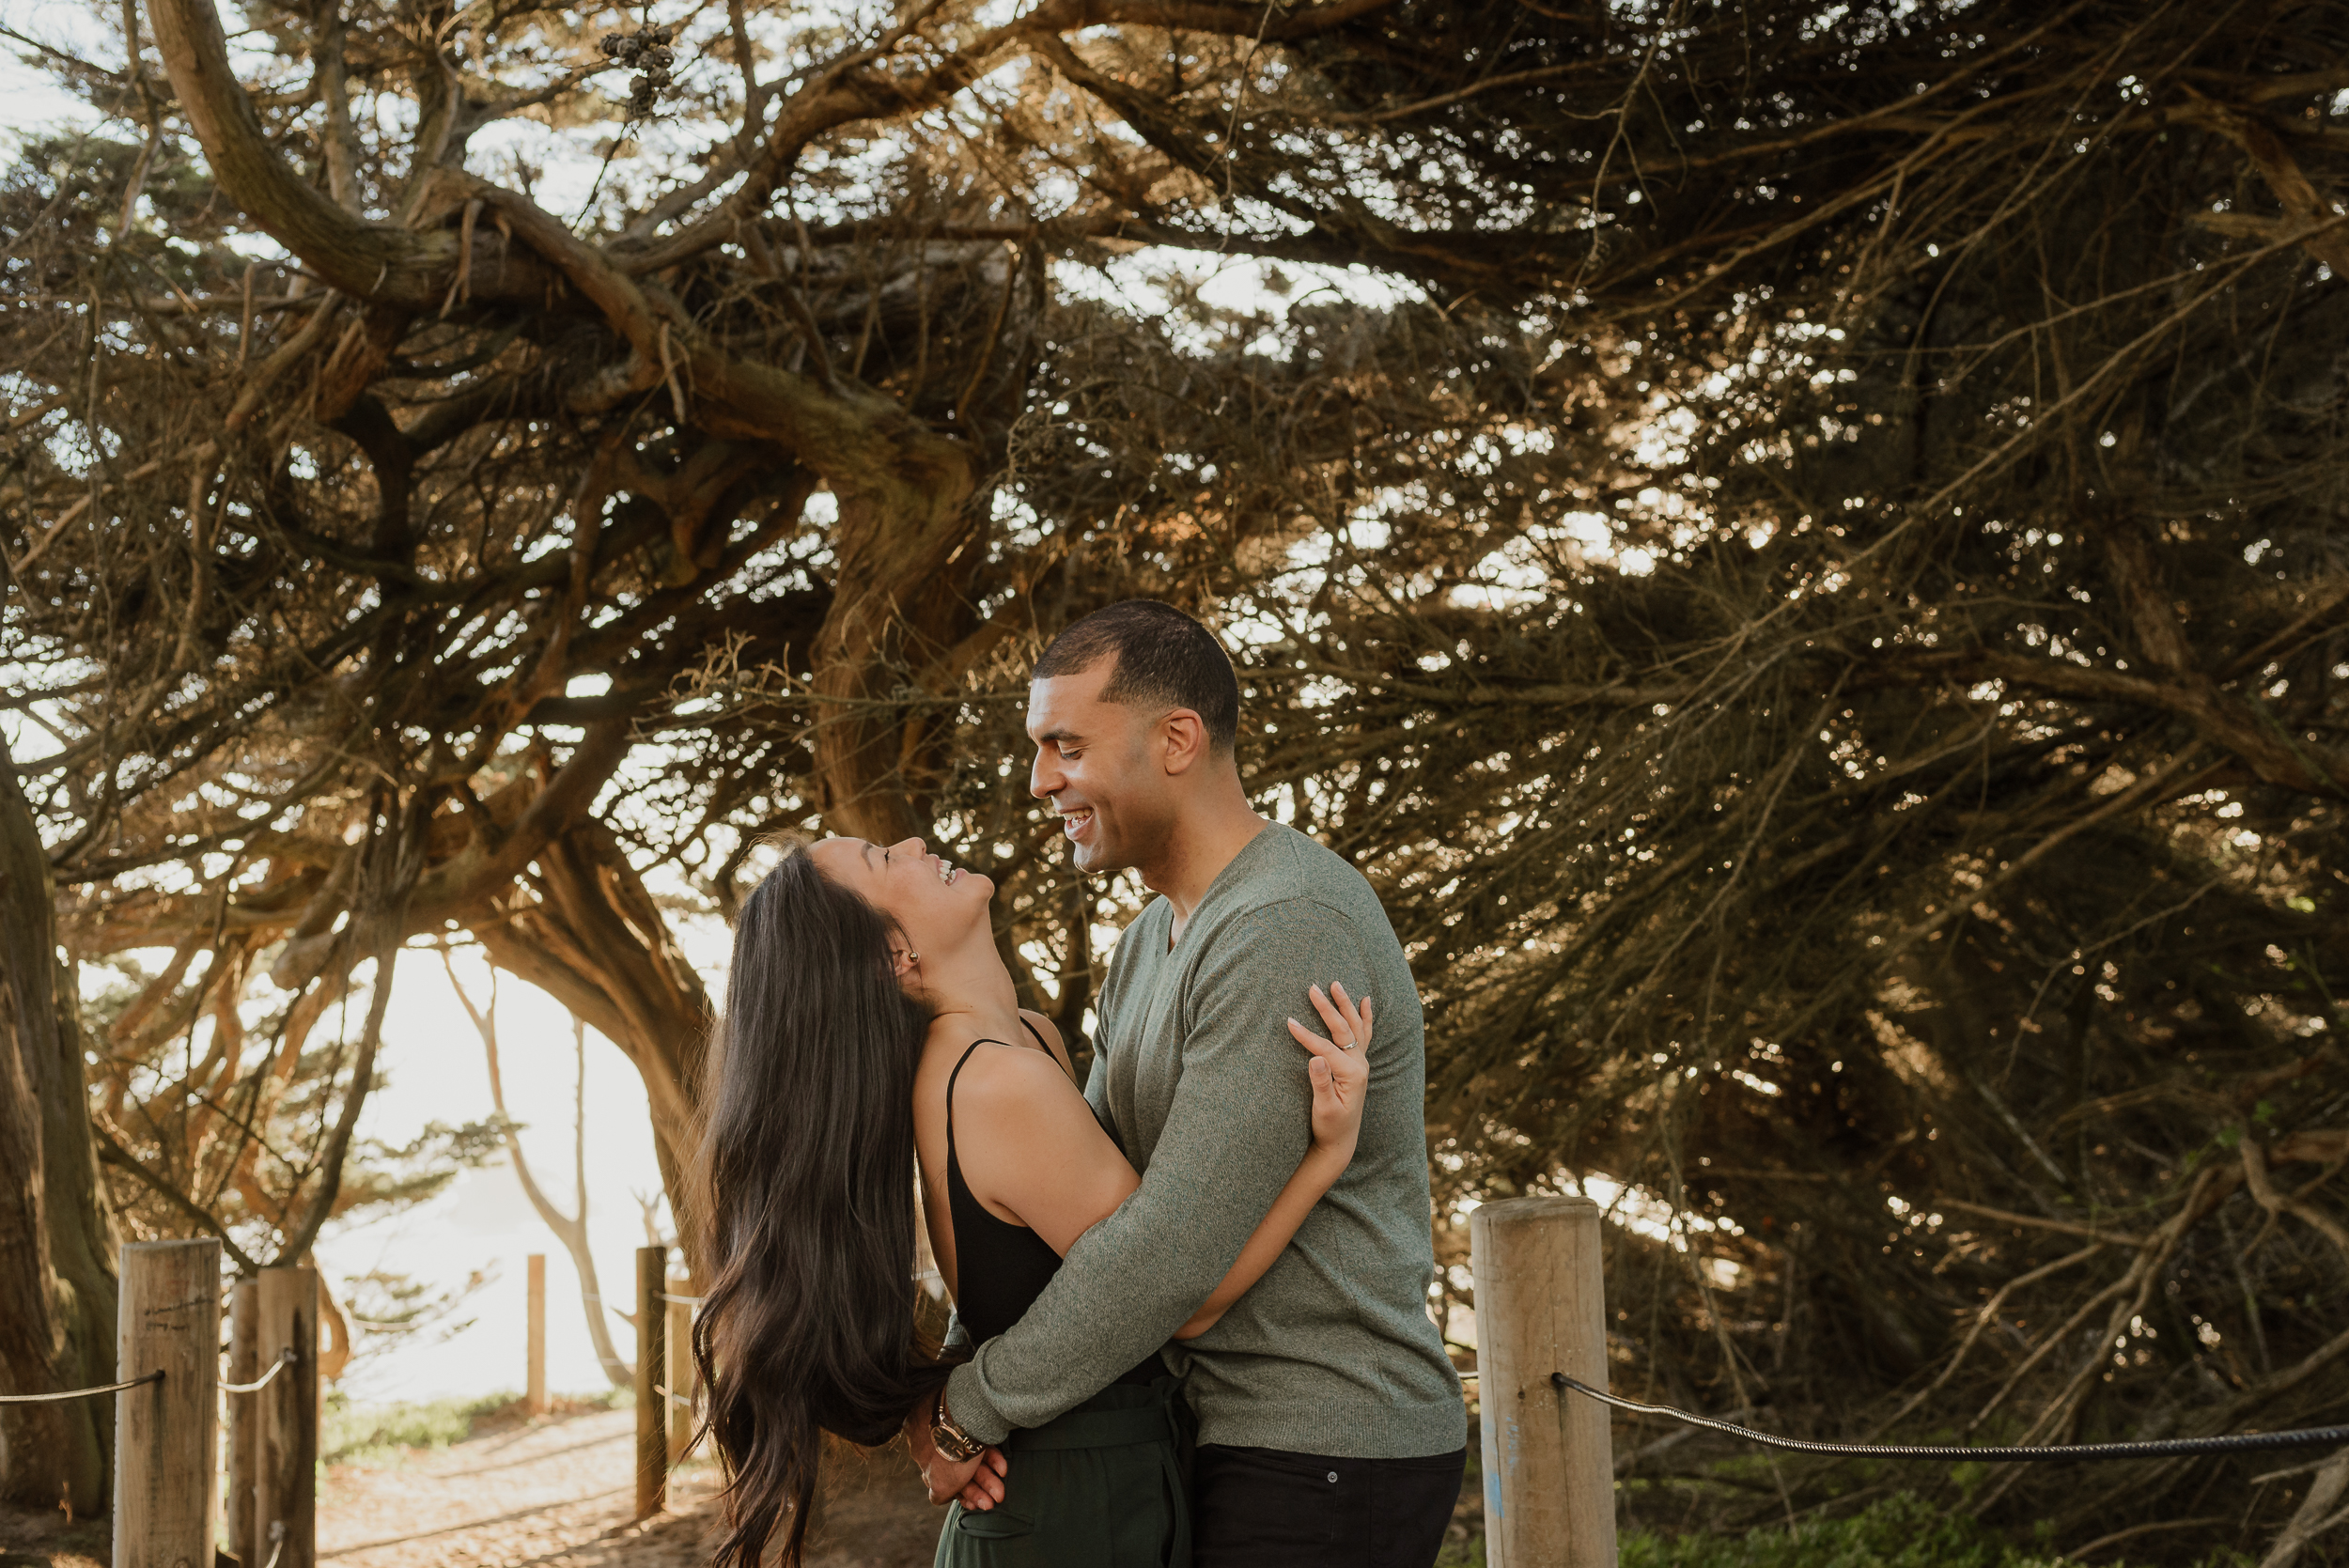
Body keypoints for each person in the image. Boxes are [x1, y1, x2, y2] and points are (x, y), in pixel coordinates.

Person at [910, 600, 1468, 1568]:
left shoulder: (1283, 924)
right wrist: (969, 1376)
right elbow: (1082, 1219)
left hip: (1320, 1443)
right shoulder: (1143, 947)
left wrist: (973, 1407)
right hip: (1207, 1433)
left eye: (1065, 744)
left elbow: (1171, 1259)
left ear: (1177, 739)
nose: (1041, 780)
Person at [691, 824, 1376, 1568]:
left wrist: (957, 1398)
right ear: (893, 955)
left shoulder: (1027, 1038)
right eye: (886, 860)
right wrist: (1326, 1155)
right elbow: (1188, 1298)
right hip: (1070, 1504)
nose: (917, 842)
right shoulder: (994, 1084)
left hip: (1101, 1475)